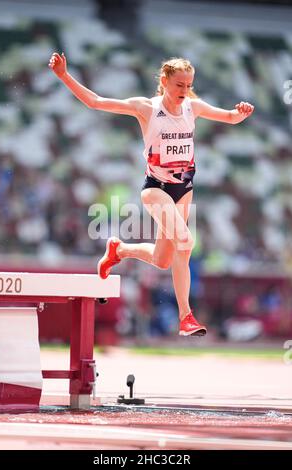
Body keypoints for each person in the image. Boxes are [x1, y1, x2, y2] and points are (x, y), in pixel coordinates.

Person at [49, 53, 254, 337]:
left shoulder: (192, 108)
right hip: (156, 190)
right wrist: (63, 75)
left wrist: (240, 112)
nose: (184, 91)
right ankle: (186, 317)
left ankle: (119, 250)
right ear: (164, 81)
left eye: (188, 85)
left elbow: (230, 117)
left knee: (163, 259)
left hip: (184, 188)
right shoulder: (146, 108)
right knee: (185, 241)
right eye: (179, 85)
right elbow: (95, 102)